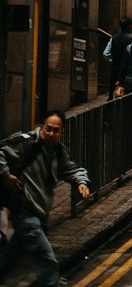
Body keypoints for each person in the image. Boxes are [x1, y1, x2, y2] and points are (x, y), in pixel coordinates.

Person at [0, 110, 91, 287]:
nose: (51, 134)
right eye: (48, 129)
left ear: (61, 132)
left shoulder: (57, 151)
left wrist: (82, 183)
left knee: (11, 256)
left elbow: (72, 170)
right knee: (46, 259)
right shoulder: (26, 143)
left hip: (39, 213)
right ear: (41, 126)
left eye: (56, 130)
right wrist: (5, 175)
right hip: (24, 210)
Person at [104, 17, 132, 100]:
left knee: (112, 91)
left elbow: (105, 54)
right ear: (130, 26)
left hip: (115, 67)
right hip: (128, 70)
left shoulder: (113, 39)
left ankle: (110, 104)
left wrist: (111, 61)